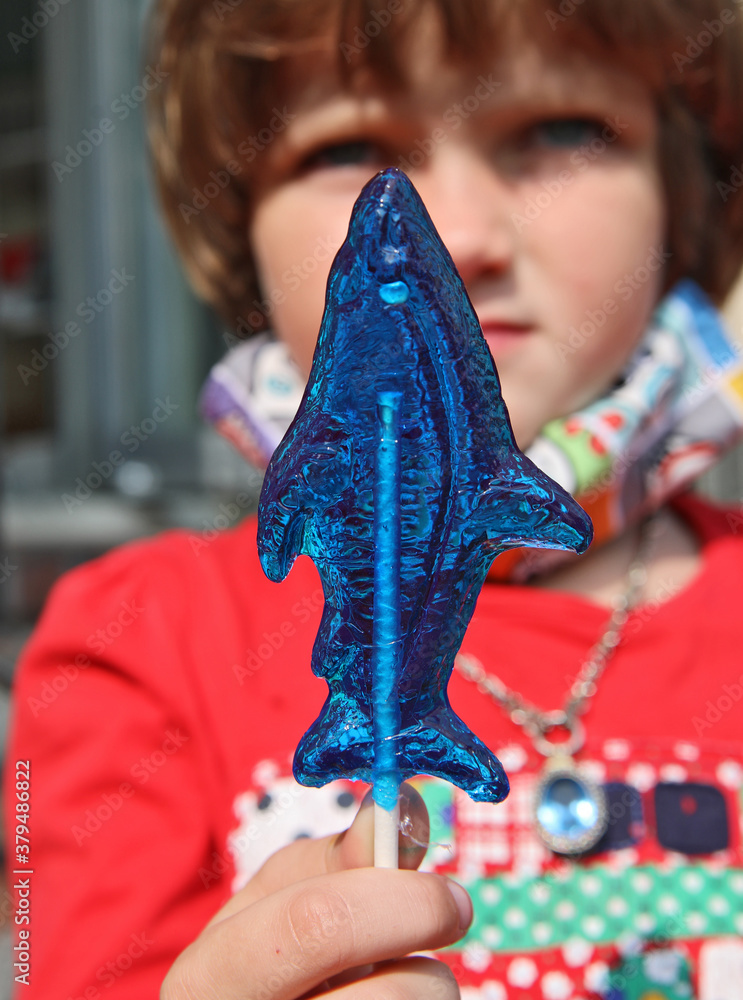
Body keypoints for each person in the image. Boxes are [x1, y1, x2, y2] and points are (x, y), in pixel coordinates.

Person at [6, 1, 743, 997]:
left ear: (683, 191)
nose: (463, 235)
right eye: (346, 145)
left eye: (559, 130)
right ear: (237, 229)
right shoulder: (134, 644)